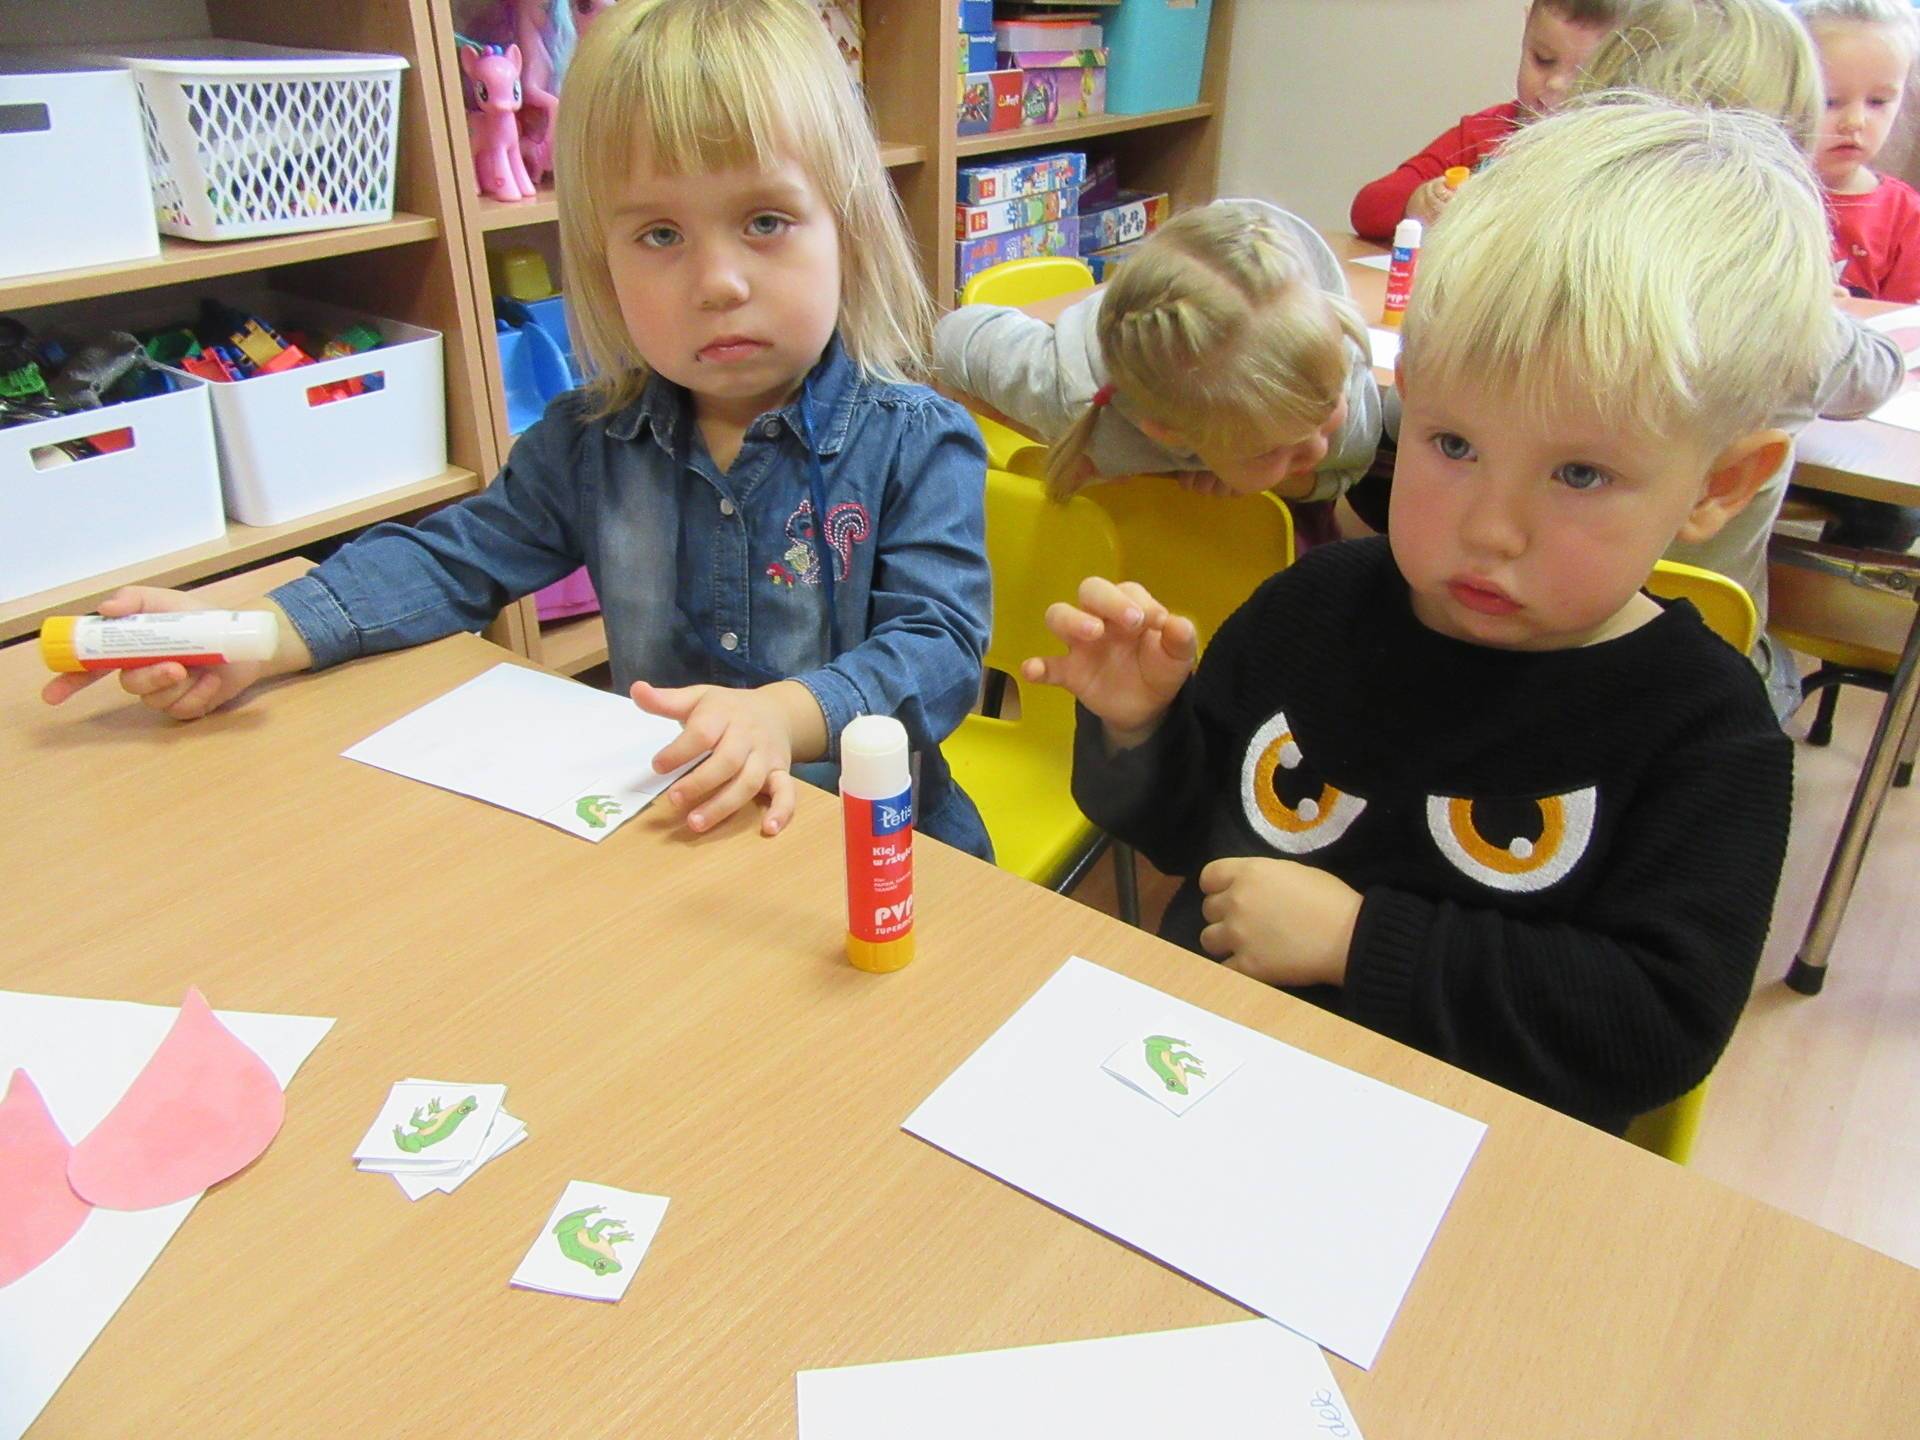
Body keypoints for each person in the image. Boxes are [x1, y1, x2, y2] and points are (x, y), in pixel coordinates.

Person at [1028, 98, 1821, 1133]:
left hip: (1469, 1155)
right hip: (1208, 1089)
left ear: (1720, 485)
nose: (1490, 529)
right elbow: (1192, 834)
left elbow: (1657, 1027)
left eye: (1580, 474)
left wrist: (1361, 942)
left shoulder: (1707, 733)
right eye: (1453, 446)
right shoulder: (1308, 609)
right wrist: (1141, 728)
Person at [40, 0, 994, 857]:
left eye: (767, 221)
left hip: (881, 851)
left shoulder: (917, 442)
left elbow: (940, 645)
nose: (718, 282)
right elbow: (449, 560)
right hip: (680, 841)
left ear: (848, 229)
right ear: (601, 260)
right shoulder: (590, 441)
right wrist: (262, 632)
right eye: (660, 235)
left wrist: (787, 715)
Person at [934, 201, 1381, 506]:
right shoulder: (1064, 390)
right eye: (1267, 452)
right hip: (1127, 341)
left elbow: (1350, 472)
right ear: (1171, 433)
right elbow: (950, 336)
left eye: (1327, 409)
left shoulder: (1331, 370)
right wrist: (1022, 426)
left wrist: (1282, 481)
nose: (1316, 448)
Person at [1795, 0, 1920, 550]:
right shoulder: (1758, 193)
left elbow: (1905, 336)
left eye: (1879, 101)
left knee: (1895, 518)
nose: (1855, 122)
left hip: (1855, 420)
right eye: (1831, 101)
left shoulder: (1903, 212)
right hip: (1767, 411)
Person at [1348, 0, 1631, 242]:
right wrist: (1418, 203)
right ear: (1526, 29)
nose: (1555, 84)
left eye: (1584, 75)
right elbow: (1367, 208)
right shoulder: (1482, 134)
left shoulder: (1622, 160)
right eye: (1543, 59)